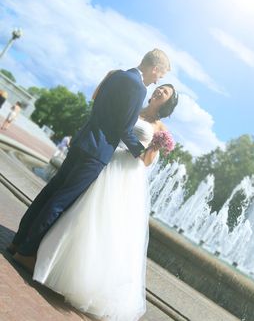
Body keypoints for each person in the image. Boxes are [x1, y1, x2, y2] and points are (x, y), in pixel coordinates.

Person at [8, 49, 171, 272]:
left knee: (50, 192)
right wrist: (139, 151)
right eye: (160, 74)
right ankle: (26, 253)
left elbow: (96, 103)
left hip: (83, 141)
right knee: (59, 202)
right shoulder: (138, 87)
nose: (158, 80)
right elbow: (124, 127)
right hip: (96, 152)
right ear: (154, 69)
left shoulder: (117, 75)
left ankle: (17, 241)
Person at [33, 84, 178, 320]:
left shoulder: (161, 128)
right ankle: (54, 265)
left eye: (166, 93)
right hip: (108, 157)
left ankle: (85, 281)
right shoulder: (134, 109)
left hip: (128, 173)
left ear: (167, 103)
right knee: (83, 210)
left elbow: (147, 162)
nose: (160, 91)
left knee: (108, 224)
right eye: (161, 88)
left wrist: (154, 145)